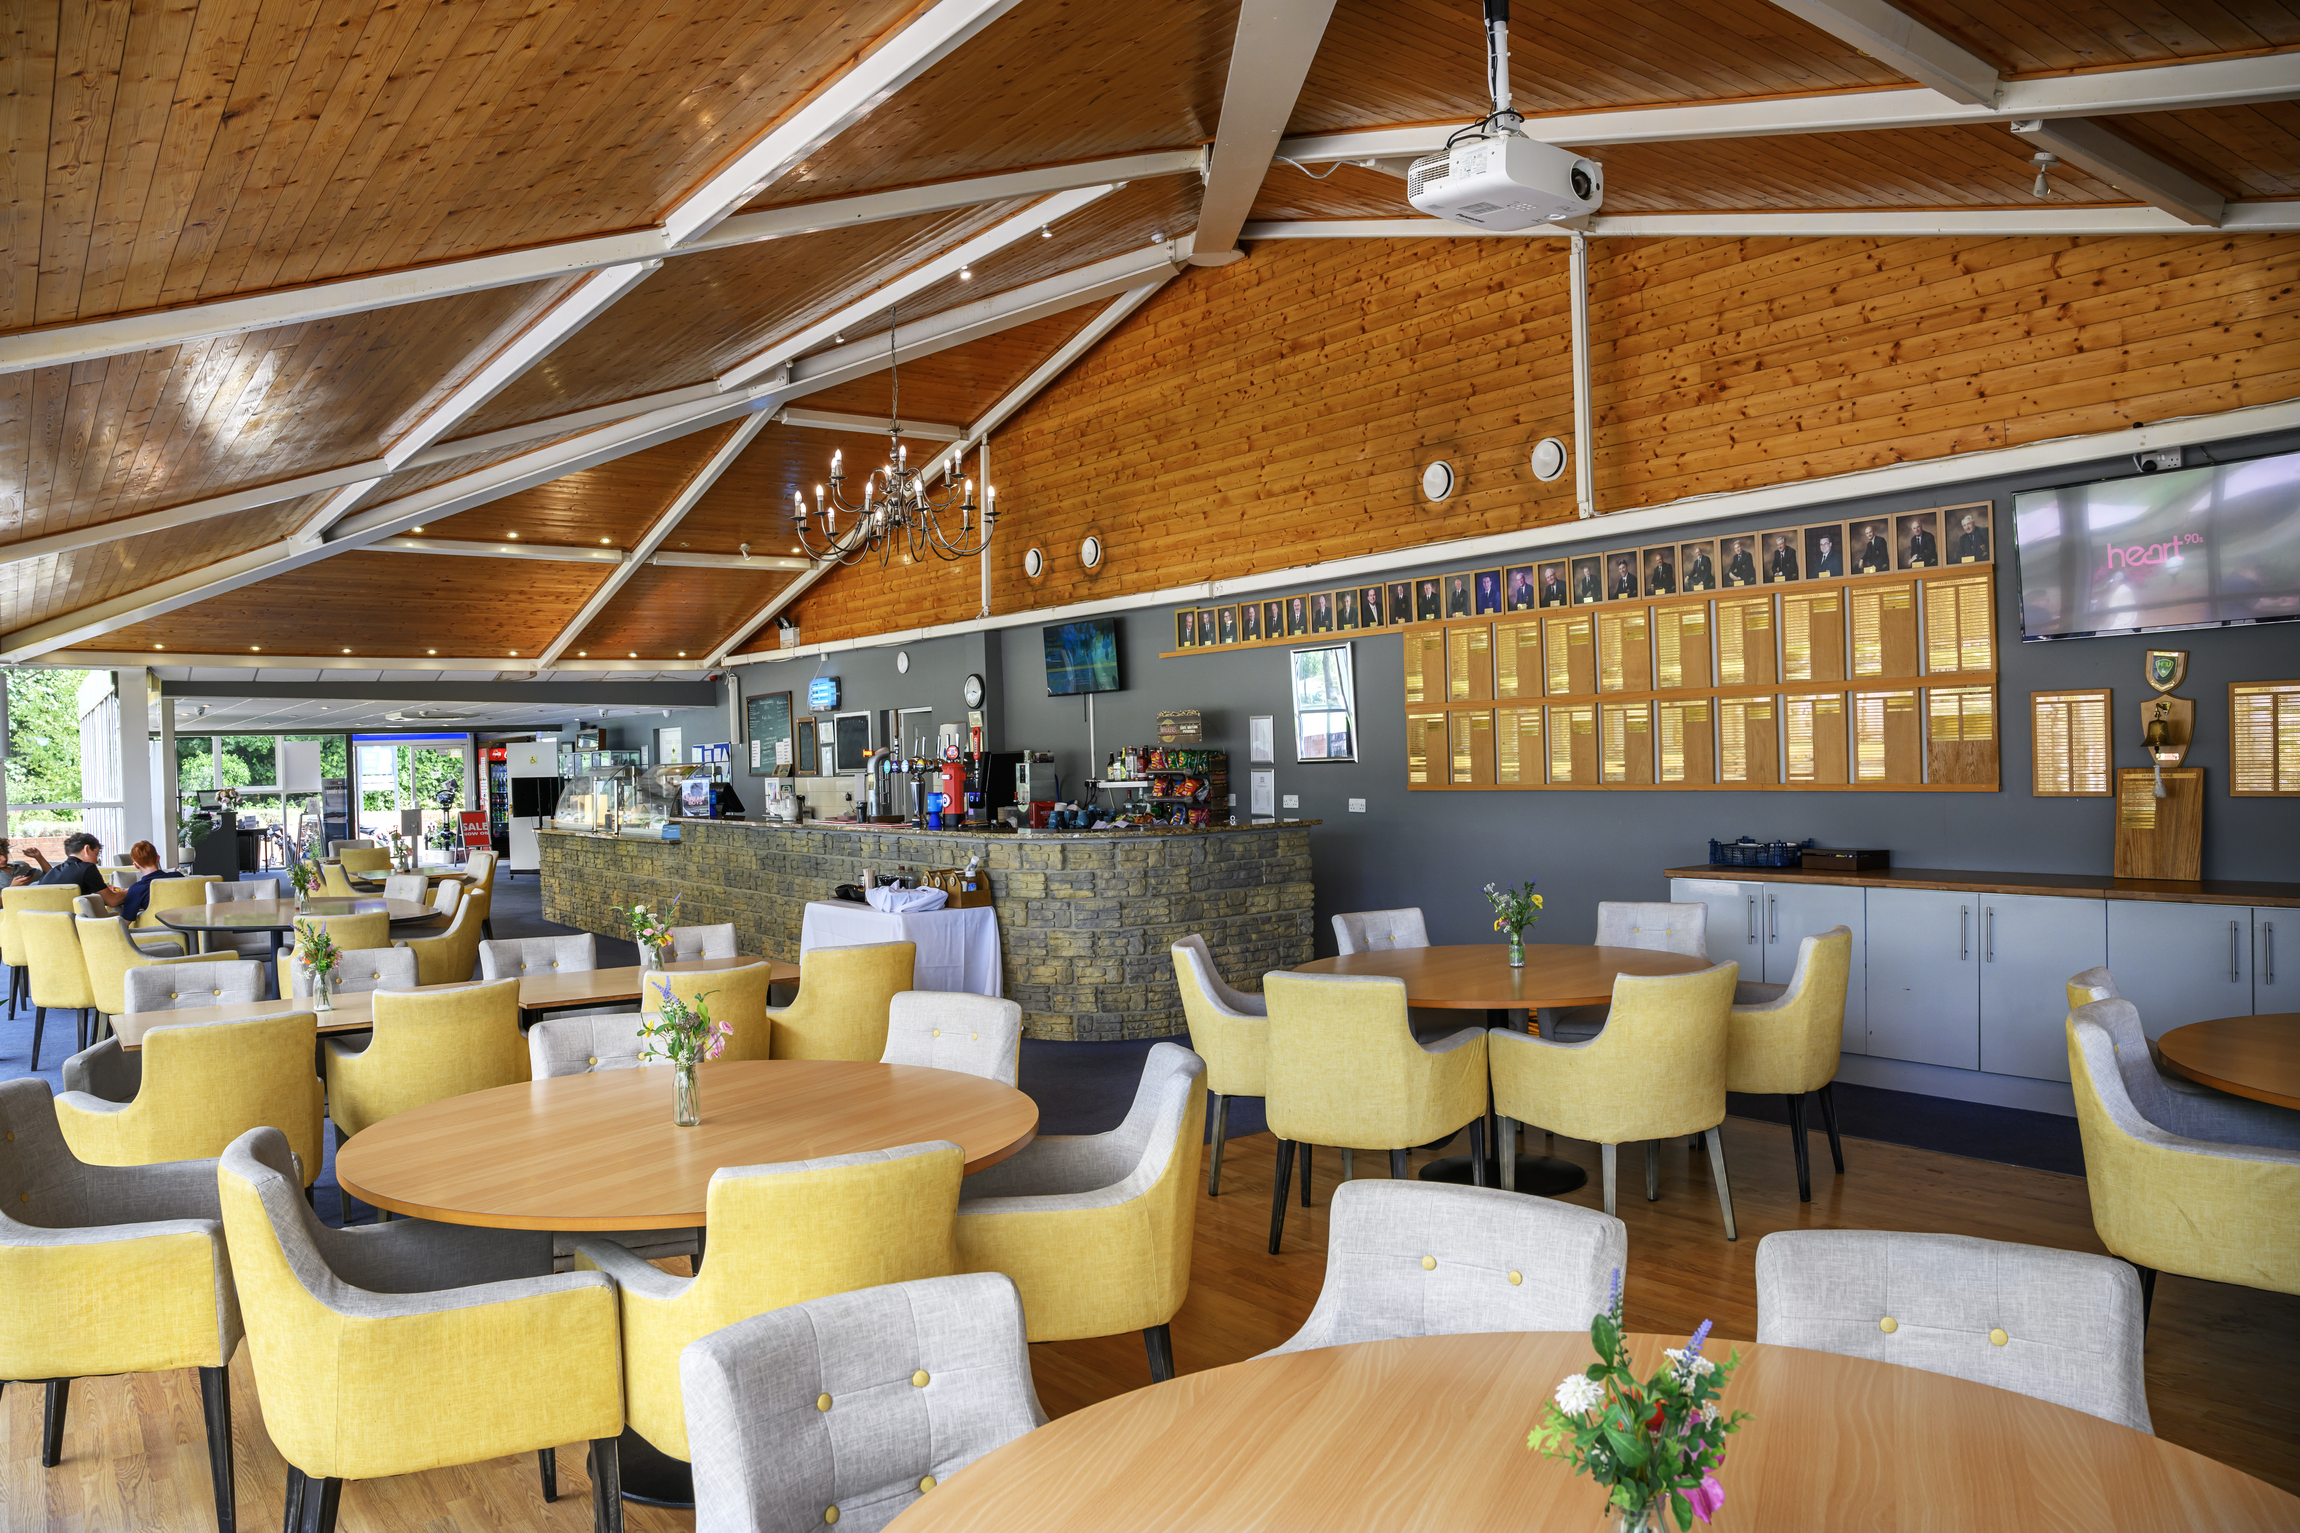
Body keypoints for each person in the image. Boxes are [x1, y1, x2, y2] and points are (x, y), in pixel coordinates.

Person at [37, 832, 127, 907]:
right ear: (86, 849)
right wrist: (131, 890)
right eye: (96, 854)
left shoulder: (51, 873)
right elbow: (112, 901)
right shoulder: (87, 868)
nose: (96, 861)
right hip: (77, 925)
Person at [115, 840, 180, 923]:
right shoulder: (178, 876)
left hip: (156, 930)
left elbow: (125, 923)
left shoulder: (136, 889)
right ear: (158, 858)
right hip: (185, 925)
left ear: (136, 865)